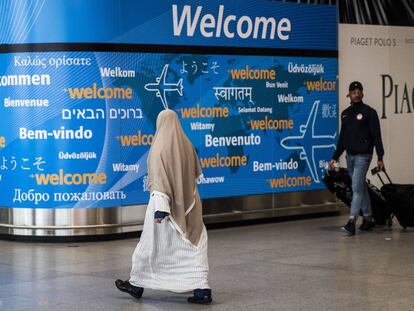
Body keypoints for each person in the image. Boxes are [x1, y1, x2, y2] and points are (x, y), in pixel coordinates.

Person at [115, 109, 212, 304]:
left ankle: (136, 285)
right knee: (194, 246)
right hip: (189, 206)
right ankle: (203, 290)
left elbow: (159, 182)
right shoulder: (187, 144)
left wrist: (161, 209)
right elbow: (194, 174)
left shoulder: (158, 148)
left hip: (165, 208)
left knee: (150, 247)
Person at [329, 81, 384, 235]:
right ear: (350, 95)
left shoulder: (370, 113)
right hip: (350, 156)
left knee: (356, 187)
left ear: (362, 93)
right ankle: (368, 218)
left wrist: (380, 156)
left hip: (363, 156)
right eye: (354, 92)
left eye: (359, 91)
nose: (357, 94)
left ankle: (352, 221)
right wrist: (334, 157)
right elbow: (342, 138)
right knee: (360, 186)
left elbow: (377, 136)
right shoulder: (345, 114)